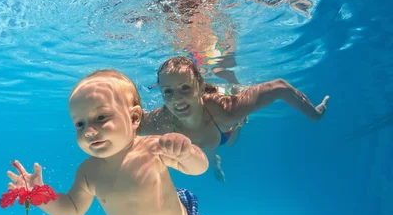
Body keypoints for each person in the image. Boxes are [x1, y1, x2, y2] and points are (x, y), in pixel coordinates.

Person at [6, 69, 241, 215]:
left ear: (135, 118)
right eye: (80, 124)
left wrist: (187, 153)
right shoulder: (89, 172)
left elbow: (198, 168)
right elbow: (72, 210)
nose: (89, 131)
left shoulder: (153, 147)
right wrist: (39, 196)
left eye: (101, 117)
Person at [141, 56, 329, 181]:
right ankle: (215, 164)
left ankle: (233, 82)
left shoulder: (226, 110)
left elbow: (279, 87)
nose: (177, 98)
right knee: (207, 148)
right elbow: (128, 123)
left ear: (199, 86)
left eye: (185, 88)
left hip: (224, 129)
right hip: (205, 136)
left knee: (229, 141)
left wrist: (314, 114)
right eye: (168, 91)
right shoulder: (160, 121)